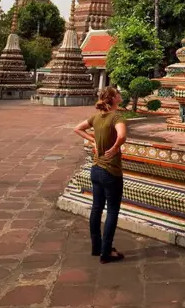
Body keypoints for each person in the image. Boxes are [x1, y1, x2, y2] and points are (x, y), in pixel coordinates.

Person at [74, 86, 127, 264]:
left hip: (96, 169)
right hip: (110, 171)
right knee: (112, 211)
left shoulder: (96, 118)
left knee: (97, 208)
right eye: (118, 94)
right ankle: (106, 252)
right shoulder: (116, 117)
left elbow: (78, 129)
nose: (120, 95)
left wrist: (93, 140)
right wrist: (114, 148)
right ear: (113, 99)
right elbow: (122, 136)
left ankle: (97, 247)